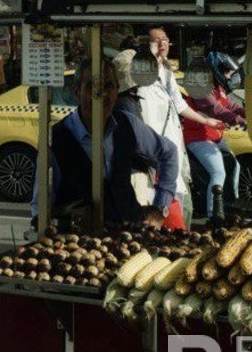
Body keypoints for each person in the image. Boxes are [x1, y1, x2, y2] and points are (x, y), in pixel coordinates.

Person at [31, 59, 179, 228]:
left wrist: (161, 207)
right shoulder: (56, 139)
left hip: (132, 234)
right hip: (82, 244)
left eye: (108, 86)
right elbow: (40, 208)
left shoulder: (127, 124)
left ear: (117, 91)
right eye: (92, 86)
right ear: (77, 92)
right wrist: (65, 219)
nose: (101, 94)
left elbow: (169, 152)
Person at [138, 27, 224, 228]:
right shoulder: (141, 75)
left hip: (174, 150)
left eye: (165, 40)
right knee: (163, 211)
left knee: (181, 205)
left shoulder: (167, 72)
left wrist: (206, 120)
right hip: (154, 154)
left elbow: (180, 104)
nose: (162, 44)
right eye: (156, 41)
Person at [185, 51, 246, 217]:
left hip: (214, 136)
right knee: (218, 172)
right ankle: (215, 214)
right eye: (227, 72)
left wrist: (249, 112)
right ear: (216, 69)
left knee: (234, 164)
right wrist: (239, 120)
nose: (228, 77)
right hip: (198, 137)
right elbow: (216, 109)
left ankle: (230, 204)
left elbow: (231, 106)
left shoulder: (218, 88)